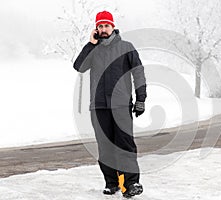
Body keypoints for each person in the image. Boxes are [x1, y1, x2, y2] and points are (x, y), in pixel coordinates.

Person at [73, 10, 147, 198]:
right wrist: (90, 43)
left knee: (124, 144)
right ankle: (111, 183)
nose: (104, 29)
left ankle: (131, 184)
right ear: (96, 29)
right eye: (100, 26)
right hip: (98, 106)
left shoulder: (126, 47)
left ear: (113, 27)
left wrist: (141, 99)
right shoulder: (94, 49)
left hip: (121, 105)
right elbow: (79, 67)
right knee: (105, 147)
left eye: (106, 25)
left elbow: (138, 73)